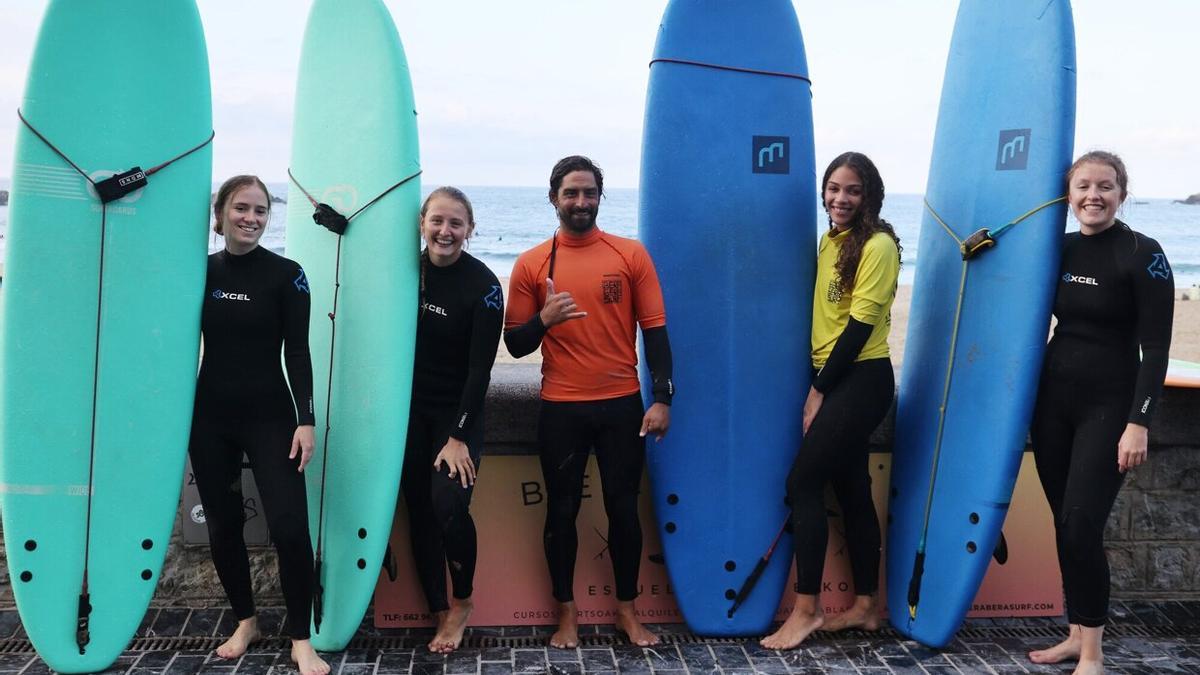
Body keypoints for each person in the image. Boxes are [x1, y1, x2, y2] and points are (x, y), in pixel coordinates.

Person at [504, 155, 674, 648]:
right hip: (562, 407)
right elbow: (516, 343)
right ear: (553, 197)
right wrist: (544, 320)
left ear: (601, 196)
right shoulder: (533, 263)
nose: (580, 201)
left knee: (624, 511)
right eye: (570, 193)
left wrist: (661, 397)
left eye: (589, 192)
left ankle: (627, 612)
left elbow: (657, 334)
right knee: (561, 513)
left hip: (622, 405)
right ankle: (566, 616)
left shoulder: (629, 255)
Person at [1028, 151, 1173, 675]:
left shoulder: (1142, 254)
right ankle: (1074, 634)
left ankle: (1092, 654)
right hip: (1052, 405)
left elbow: (1156, 349)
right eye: (1083, 186)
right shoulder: (1059, 250)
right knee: (1064, 525)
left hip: (1108, 409)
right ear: (1068, 196)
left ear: (1122, 193)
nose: (1094, 196)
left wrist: (1140, 422)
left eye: (1105, 187)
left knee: (1081, 526)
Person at [189, 175, 329, 675]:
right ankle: (246, 620)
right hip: (210, 418)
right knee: (224, 525)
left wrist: (305, 420)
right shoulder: (199, 272)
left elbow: (300, 352)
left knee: (291, 526)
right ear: (221, 213)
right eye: (241, 208)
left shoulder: (288, 275)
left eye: (261, 210)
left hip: (272, 416)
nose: (251, 218)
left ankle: (301, 637)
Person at [761, 152, 900, 650]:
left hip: (860, 379)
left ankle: (807, 609)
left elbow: (861, 327)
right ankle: (865, 606)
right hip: (839, 376)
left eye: (853, 191)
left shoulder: (879, 245)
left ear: (870, 196)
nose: (841, 199)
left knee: (802, 482)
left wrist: (819, 390)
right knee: (851, 489)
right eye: (834, 189)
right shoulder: (832, 240)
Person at [401, 187, 503, 653]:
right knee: (418, 510)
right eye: (437, 220)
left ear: (470, 230)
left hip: (454, 414)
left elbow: (480, 369)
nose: (446, 231)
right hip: (404, 413)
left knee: (447, 504)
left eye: (456, 223)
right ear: (421, 223)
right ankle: (437, 607)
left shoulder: (483, 286)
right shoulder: (403, 270)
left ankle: (462, 602)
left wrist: (459, 435)